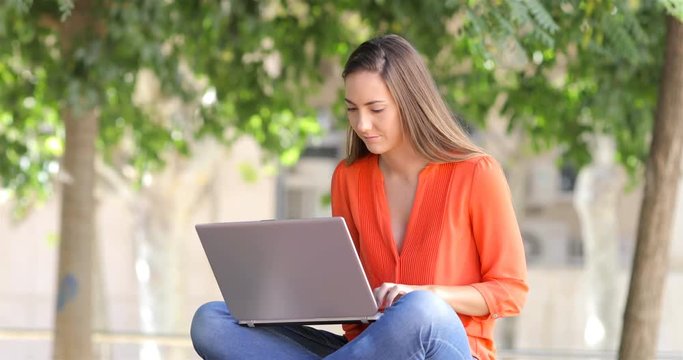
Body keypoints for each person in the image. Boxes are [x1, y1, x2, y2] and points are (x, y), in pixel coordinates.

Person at [190, 34, 528, 360]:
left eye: (376, 109)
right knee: (212, 322)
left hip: (444, 347)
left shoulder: (476, 173)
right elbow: (352, 303)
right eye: (352, 109)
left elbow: (511, 291)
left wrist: (431, 294)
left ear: (411, 103)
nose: (362, 124)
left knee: (421, 310)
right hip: (370, 348)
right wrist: (292, 294)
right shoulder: (349, 177)